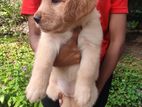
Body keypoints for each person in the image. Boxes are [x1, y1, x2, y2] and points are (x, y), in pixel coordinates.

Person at [21, 0, 128, 107]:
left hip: (98, 77)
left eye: (55, 1)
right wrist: (40, 78)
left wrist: (88, 85)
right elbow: (40, 37)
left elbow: (116, 41)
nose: (38, 14)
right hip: (54, 81)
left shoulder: (90, 20)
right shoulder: (54, 24)